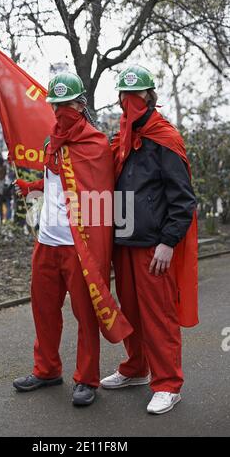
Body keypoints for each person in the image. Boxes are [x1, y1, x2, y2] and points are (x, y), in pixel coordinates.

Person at [13, 72, 123, 406]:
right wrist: (32, 187)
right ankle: (46, 369)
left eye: (67, 104)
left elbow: (99, 195)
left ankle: (87, 379)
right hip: (47, 241)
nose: (61, 111)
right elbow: (56, 185)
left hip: (80, 247)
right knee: (44, 310)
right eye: (56, 105)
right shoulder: (50, 142)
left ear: (81, 104)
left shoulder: (96, 143)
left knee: (86, 314)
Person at [101, 65, 198, 414]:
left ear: (149, 96)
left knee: (159, 315)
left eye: (135, 96)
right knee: (131, 313)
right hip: (125, 240)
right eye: (124, 97)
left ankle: (168, 383)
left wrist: (168, 241)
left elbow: (183, 199)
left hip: (154, 245)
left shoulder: (164, 138)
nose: (129, 102)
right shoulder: (121, 138)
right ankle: (136, 368)